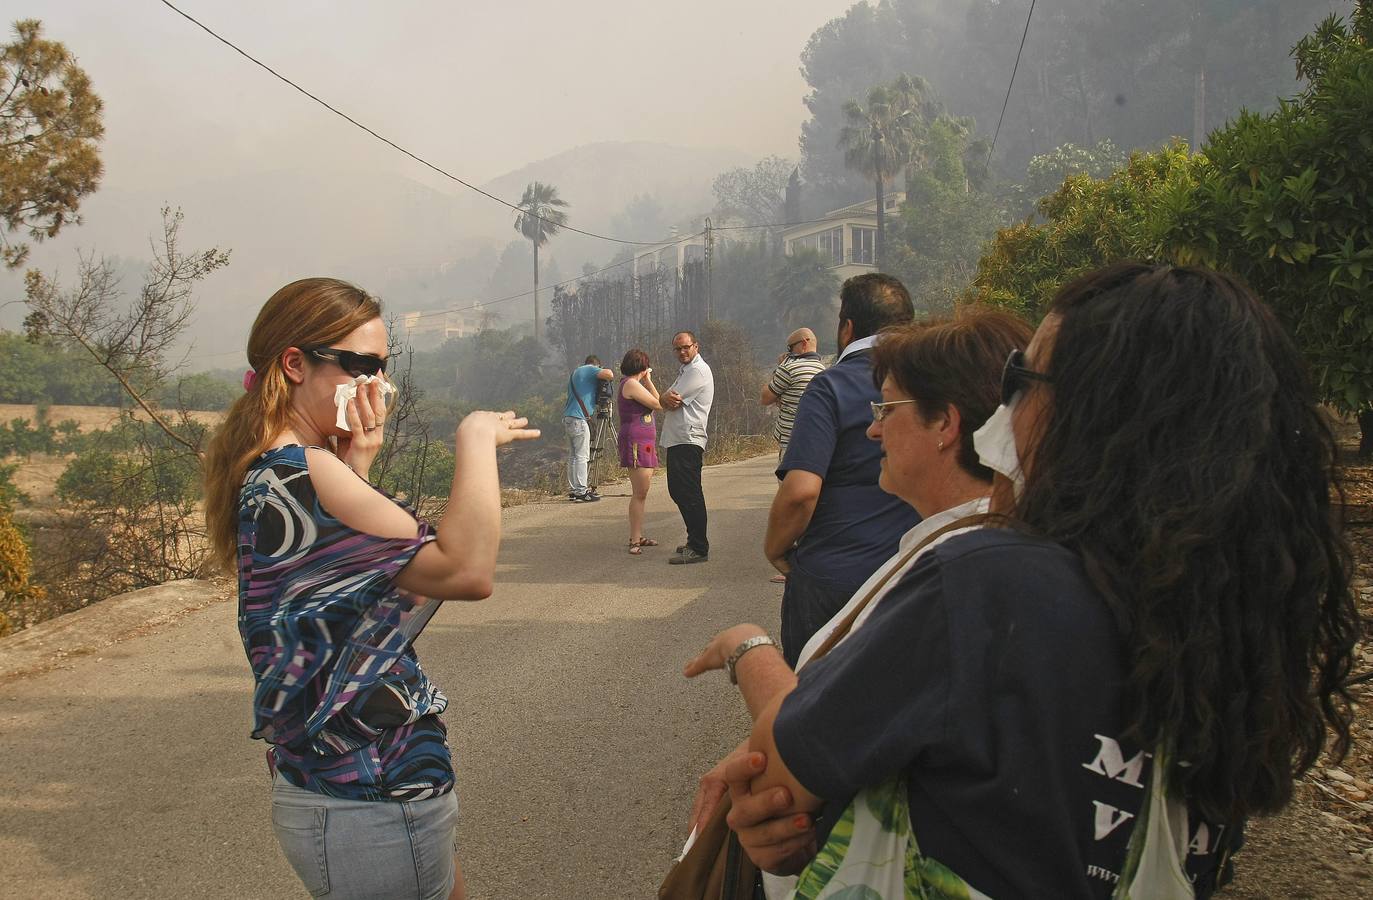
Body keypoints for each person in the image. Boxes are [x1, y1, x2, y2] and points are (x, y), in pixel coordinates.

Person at [686, 263, 1359, 898]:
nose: (1004, 409)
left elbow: (780, 774)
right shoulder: (1222, 611)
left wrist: (749, 649)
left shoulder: (988, 582)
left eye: (1023, 379)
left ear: (1089, 413)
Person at [202, 277, 539, 900]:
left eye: (383, 368)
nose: (377, 386)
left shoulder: (278, 472)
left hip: (358, 792)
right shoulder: (303, 472)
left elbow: (338, 601)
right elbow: (464, 569)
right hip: (369, 796)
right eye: (360, 366)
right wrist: (474, 440)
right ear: (294, 364)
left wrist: (357, 464)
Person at [681, 308, 1032, 898]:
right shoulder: (991, 547)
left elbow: (794, 756)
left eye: (886, 411)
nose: (872, 432)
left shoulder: (956, 577)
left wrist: (746, 648)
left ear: (944, 424)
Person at [766, 273, 920, 664]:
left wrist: (776, 548)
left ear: (847, 328)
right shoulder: (936, 382)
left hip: (835, 580)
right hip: (916, 575)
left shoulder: (830, 386)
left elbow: (801, 492)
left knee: (813, 705)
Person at [660, 330, 714, 565]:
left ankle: (699, 547)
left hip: (688, 439)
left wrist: (664, 399)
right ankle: (694, 539)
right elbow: (665, 399)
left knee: (689, 493)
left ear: (696, 347)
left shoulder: (697, 371)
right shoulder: (686, 371)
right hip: (678, 438)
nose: (682, 351)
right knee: (678, 490)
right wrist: (664, 398)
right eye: (678, 348)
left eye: (686, 347)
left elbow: (671, 402)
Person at [617, 348, 662, 555]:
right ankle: (635, 539)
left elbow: (656, 400)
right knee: (640, 493)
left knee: (642, 493)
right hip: (636, 442)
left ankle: (638, 536)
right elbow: (658, 403)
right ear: (642, 366)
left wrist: (648, 380)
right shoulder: (630, 384)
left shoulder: (634, 384)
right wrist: (646, 379)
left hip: (644, 442)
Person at [761, 327, 825, 461]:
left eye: (790, 348)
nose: (788, 353)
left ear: (804, 343)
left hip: (791, 441)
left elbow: (765, 397)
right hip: (815, 441)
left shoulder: (789, 368)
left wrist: (779, 368)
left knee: (787, 482)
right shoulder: (823, 370)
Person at [563, 354, 615, 502]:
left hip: (569, 418)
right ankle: (581, 491)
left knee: (573, 456)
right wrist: (601, 372)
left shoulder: (576, 373)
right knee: (582, 456)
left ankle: (574, 490)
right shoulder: (589, 369)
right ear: (595, 366)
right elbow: (609, 374)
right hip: (579, 419)